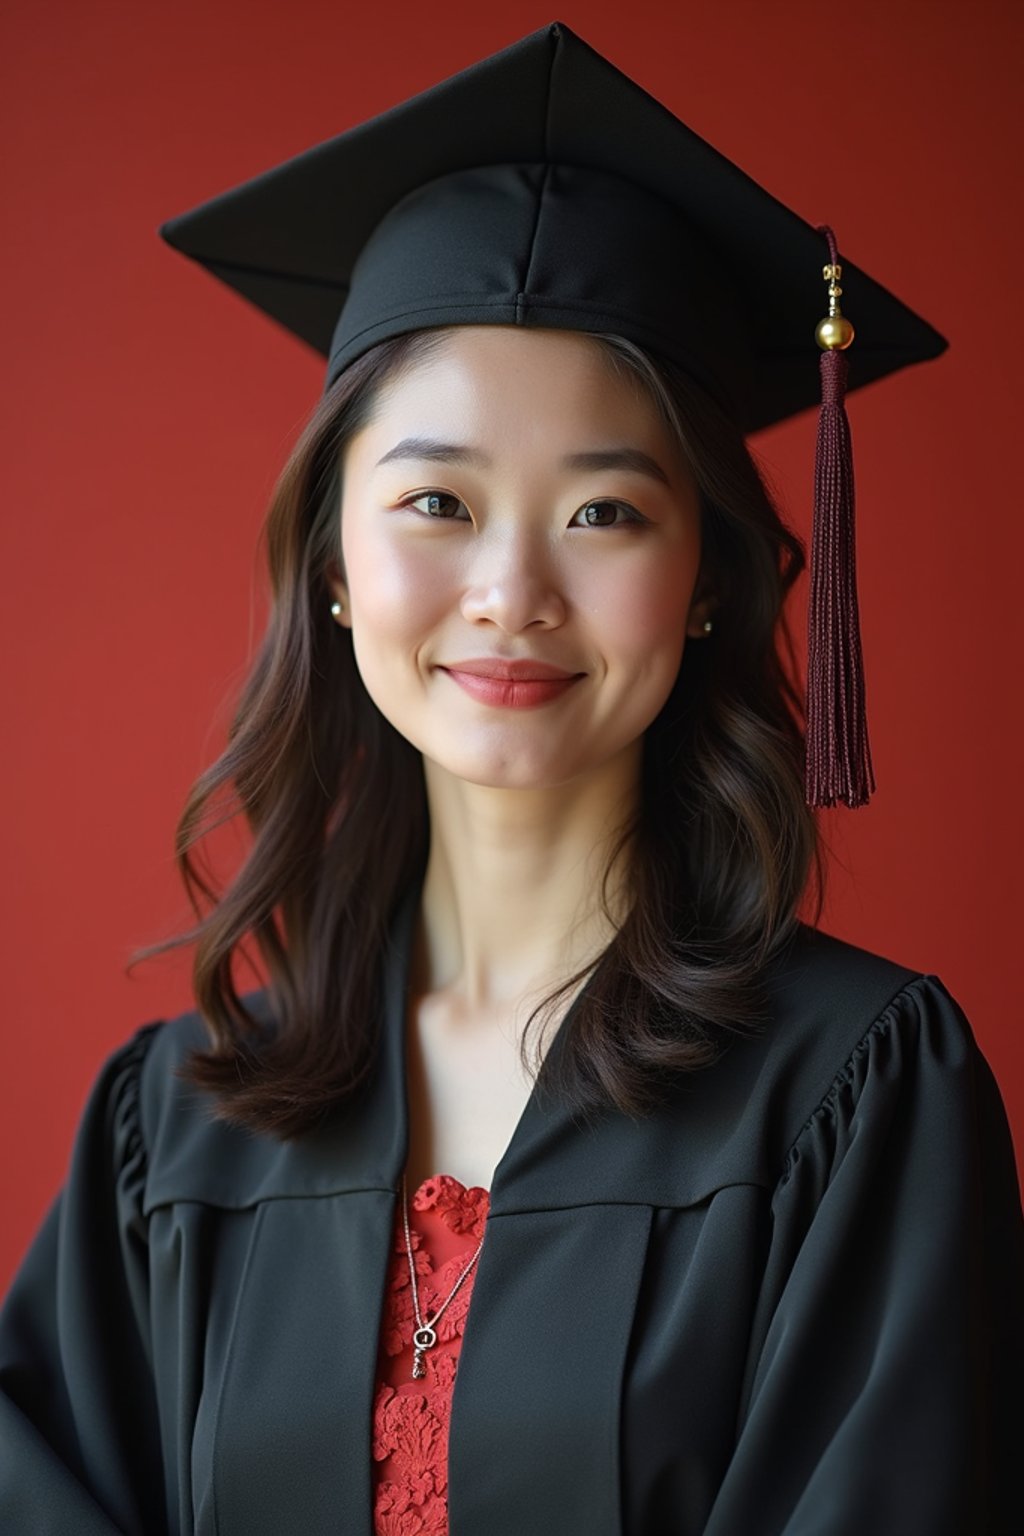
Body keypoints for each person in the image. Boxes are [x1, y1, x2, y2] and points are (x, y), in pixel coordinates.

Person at [1, 20, 1021, 1536]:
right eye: (435, 500)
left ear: (706, 580)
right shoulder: (181, 1126)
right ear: (334, 566)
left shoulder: (855, 1092)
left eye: (604, 512)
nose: (508, 589)